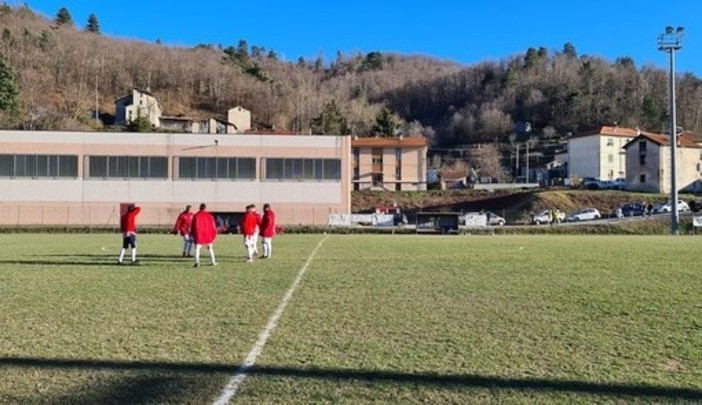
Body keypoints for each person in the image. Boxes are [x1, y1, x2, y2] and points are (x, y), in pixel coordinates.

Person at [191, 203, 217, 267]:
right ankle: (213, 262)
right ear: (205, 208)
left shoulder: (196, 215)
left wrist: (193, 234)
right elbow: (213, 226)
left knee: (197, 249)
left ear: (200, 207)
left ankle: (197, 262)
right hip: (208, 235)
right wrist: (213, 235)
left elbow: (193, 226)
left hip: (199, 235)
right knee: (210, 248)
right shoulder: (210, 216)